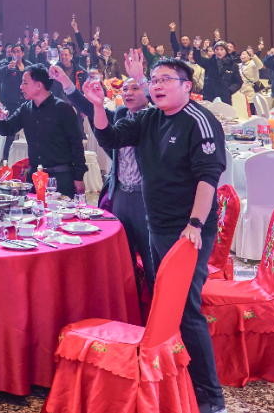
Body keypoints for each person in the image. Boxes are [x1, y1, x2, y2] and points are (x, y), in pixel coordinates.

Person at [83, 54, 226, 413]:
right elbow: (110, 137)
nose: (157, 86)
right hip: (156, 224)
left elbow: (208, 178)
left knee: (185, 309)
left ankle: (211, 398)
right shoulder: (149, 118)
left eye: (165, 80)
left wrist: (195, 225)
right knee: (164, 303)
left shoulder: (199, 120)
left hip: (188, 231)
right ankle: (175, 380)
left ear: (187, 86)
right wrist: (98, 106)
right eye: (155, 80)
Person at [53, 63, 154, 296]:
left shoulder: (155, 118)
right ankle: (131, 308)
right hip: (120, 195)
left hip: (145, 198)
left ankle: (157, 311)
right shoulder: (120, 114)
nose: (128, 93)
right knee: (123, 260)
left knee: (152, 261)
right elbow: (92, 109)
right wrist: (66, 83)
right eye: (125, 89)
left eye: (135, 88)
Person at [0, 64, 86, 195]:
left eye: (25, 83)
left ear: (39, 85)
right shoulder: (26, 108)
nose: (21, 87)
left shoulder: (62, 109)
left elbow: (76, 144)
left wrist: (79, 177)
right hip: (34, 177)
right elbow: (7, 129)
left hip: (61, 176)